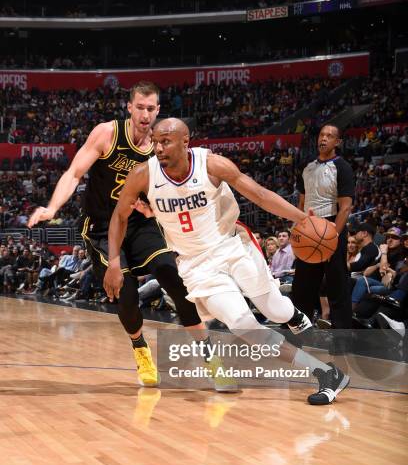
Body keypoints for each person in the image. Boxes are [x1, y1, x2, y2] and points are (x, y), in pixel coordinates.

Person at [104, 118, 350, 405]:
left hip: (232, 245)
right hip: (196, 266)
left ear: (186, 142)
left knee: (275, 309)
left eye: (166, 141)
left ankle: (294, 317)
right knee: (242, 324)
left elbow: (258, 194)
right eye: (155, 141)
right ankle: (326, 373)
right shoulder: (142, 175)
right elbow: (119, 217)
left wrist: (303, 219)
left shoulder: (212, 165)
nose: (158, 148)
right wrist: (112, 261)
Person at [28, 82, 206, 388]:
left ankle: (209, 353)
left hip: (140, 224)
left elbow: (176, 187)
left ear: (158, 111)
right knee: (126, 293)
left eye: (151, 109)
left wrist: (156, 211)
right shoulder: (107, 134)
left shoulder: (161, 145)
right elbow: (74, 173)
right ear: (129, 107)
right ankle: (140, 349)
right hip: (101, 226)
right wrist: (52, 207)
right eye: (140, 107)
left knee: (171, 276)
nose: (145, 114)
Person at [292, 124, 354, 330]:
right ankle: (298, 337)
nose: (324, 139)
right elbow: (301, 203)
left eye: (330, 136)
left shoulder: (342, 167)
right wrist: (296, 228)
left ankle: (342, 341)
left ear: (338, 142)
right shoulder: (307, 167)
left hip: (331, 226)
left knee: (338, 288)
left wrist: (333, 235)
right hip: (309, 227)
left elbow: (345, 207)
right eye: (321, 135)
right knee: (301, 288)